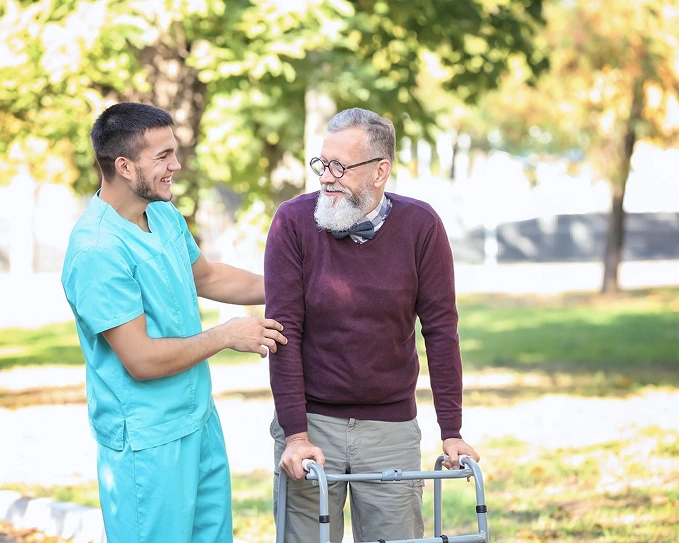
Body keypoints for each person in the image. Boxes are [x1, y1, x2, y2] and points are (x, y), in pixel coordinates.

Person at [61, 102, 287, 543]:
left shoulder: (163, 215)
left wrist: (298, 287)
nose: (176, 165)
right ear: (124, 166)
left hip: (198, 422)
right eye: (162, 156)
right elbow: (141, 360)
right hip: (147, 442)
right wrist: (224, 335)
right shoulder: (97, 250)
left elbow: (207, 276)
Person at [264, 107, 479, 543]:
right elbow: (283, 333)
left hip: (390, 430)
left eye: (340, 166)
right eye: (323, 163)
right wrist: (295, 435)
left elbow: (440, 330)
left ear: (381, 172)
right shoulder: (292, 221)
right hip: (311, 424)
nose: (326, 177)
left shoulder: (421, 227)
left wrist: (451, 431)